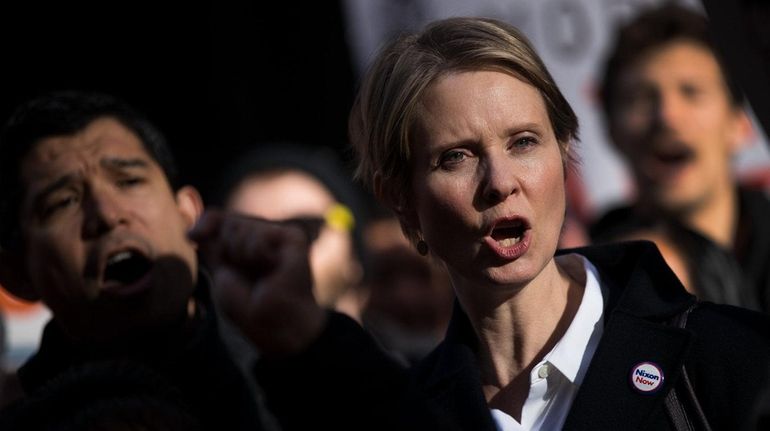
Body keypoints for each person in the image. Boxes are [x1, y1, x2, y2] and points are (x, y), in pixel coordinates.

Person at [192, 16, 770, 430]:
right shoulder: (411, 409)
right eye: (456, 157)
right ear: (403, 201)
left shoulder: (729, 360)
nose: (499, 181)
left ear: (564, 154)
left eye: (523, 142)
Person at [0, 91, 269, 430]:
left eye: (129, 181)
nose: (107, 214)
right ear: (17, 274)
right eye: (64, 201)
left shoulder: (300, 371)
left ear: (188, 214)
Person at [590, 3, 770, 311]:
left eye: (691, 91)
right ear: (610, 129)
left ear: (741, 123)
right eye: (641, 98)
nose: (667, 116)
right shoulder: (585, 282)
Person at [217, 143, 366, 321]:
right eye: (248, 236)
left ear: (353, 251)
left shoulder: (401, 348)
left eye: (303, 229)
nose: (276, 249)